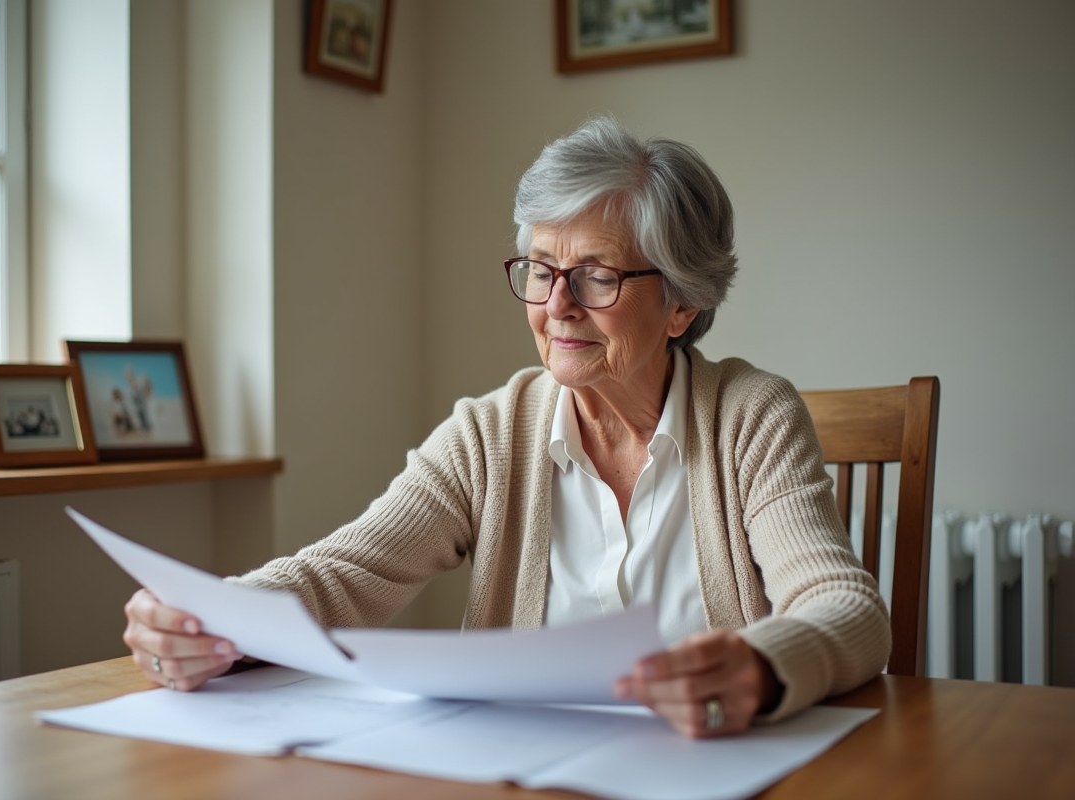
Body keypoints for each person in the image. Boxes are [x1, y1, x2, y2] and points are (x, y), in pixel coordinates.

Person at [123, 117, 890, 739]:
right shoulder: (489, 433)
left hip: (706, 772)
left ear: (682, 305)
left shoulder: (752, 416)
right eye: (541, 270)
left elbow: (847, 611)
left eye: (596, 275)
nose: (557, 305)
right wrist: (207, 619)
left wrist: (755, 668)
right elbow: (343, 575)